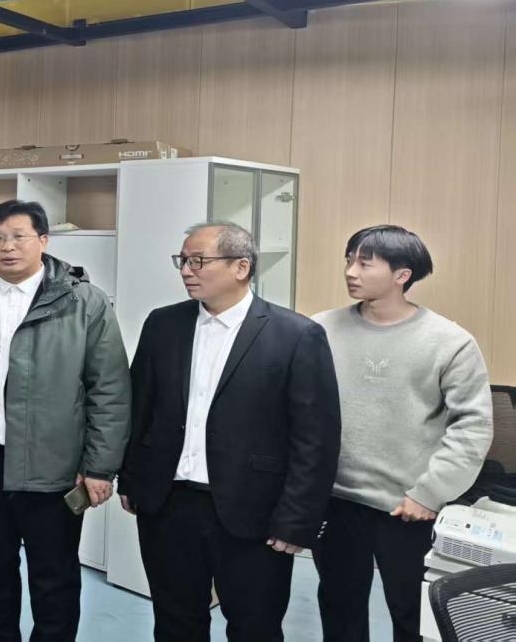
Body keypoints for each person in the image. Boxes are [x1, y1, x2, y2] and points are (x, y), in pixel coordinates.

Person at [118, 221, 340, 642]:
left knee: (255, 626)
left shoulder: (295, 335)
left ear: (241, 267)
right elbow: (140, 406)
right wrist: (130, 478)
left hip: (254, 510)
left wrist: (297, 520)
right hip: (167, 504)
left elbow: (316, 440)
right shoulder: (164, 324)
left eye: (199, 261)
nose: (187, 270)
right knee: (175, 621)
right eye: (183, 261)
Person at [0, 199, 130, 641]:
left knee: (54, 580)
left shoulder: (84, 303)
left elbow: (110, 390)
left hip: (54, 467)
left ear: (43, 240)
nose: (7, 247)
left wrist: (100, 467)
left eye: (19, 236)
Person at [312, 225, 492, 642]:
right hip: (335, 502)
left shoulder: (450, 341)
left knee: (412, 614)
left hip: (408, 507)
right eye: (349, 260)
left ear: (402, 275)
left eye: (365, 263)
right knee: (339, 609)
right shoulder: (320, 329)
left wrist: (429, 493)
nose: (350, 271)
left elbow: (473, 426)